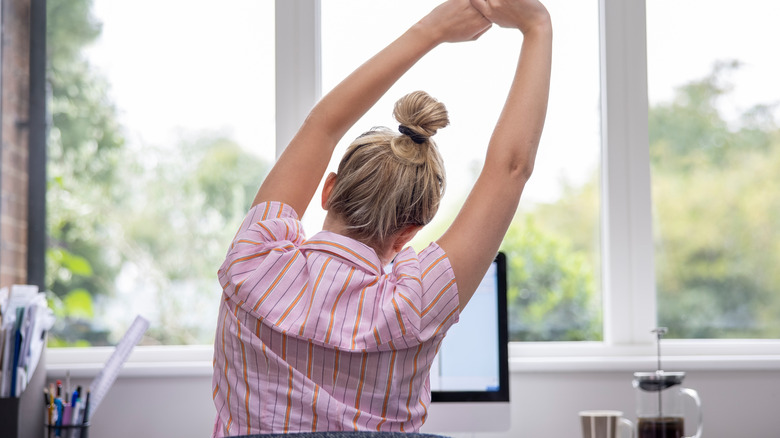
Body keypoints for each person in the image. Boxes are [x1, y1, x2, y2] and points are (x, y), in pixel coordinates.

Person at [211, 0, 552, 435]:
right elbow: (511, 170)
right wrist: (537, 26)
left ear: (328, 188)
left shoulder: (253, 262)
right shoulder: (415, 303)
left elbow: (322, 126)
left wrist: (431, 29)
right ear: (409, 232)